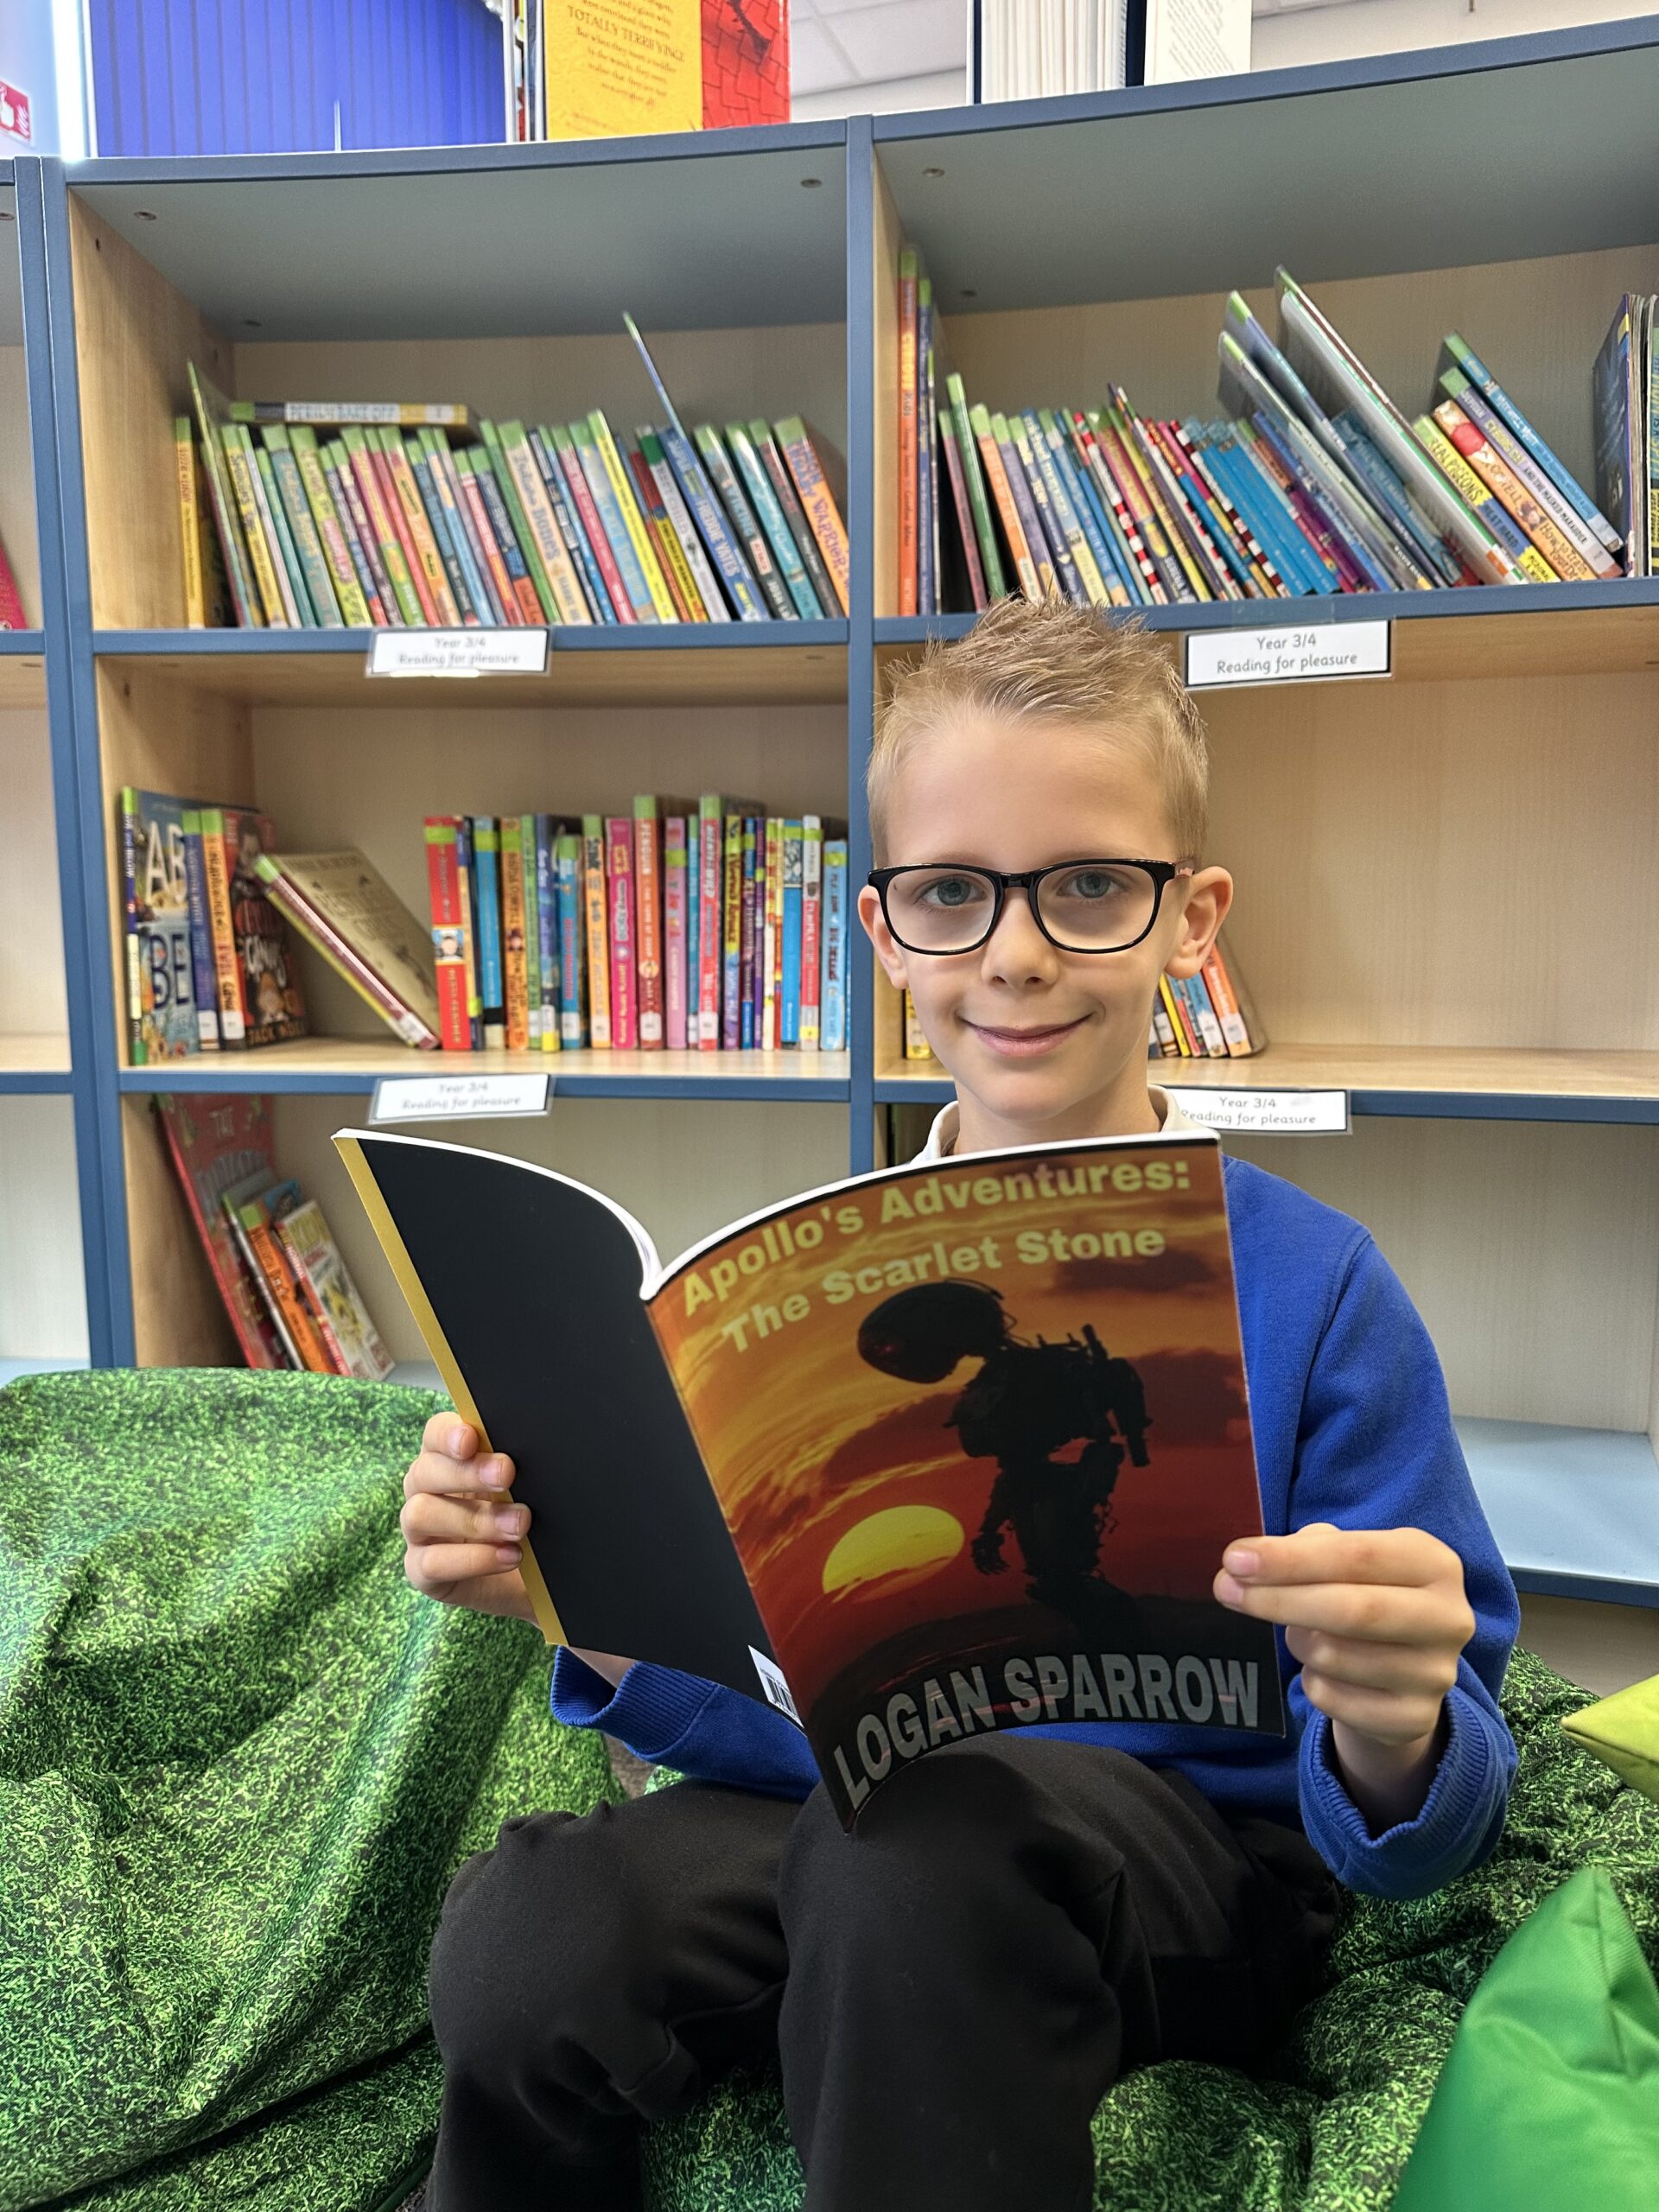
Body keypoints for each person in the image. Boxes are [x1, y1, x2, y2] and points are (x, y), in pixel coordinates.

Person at [401, 597, 1519, 2212]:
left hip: (1186, 1869)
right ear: (883, 931)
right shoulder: (815, 1294)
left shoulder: (1316, 1283)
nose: (1013, 952)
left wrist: (1397, 1722)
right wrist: (579, 1602)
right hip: (843, 1824)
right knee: (535, 1930)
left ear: (1189, 921)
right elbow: (783, 1692)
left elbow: (1430, 1820)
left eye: (1087, 886)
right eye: (949, 893)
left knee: (911, 1859)